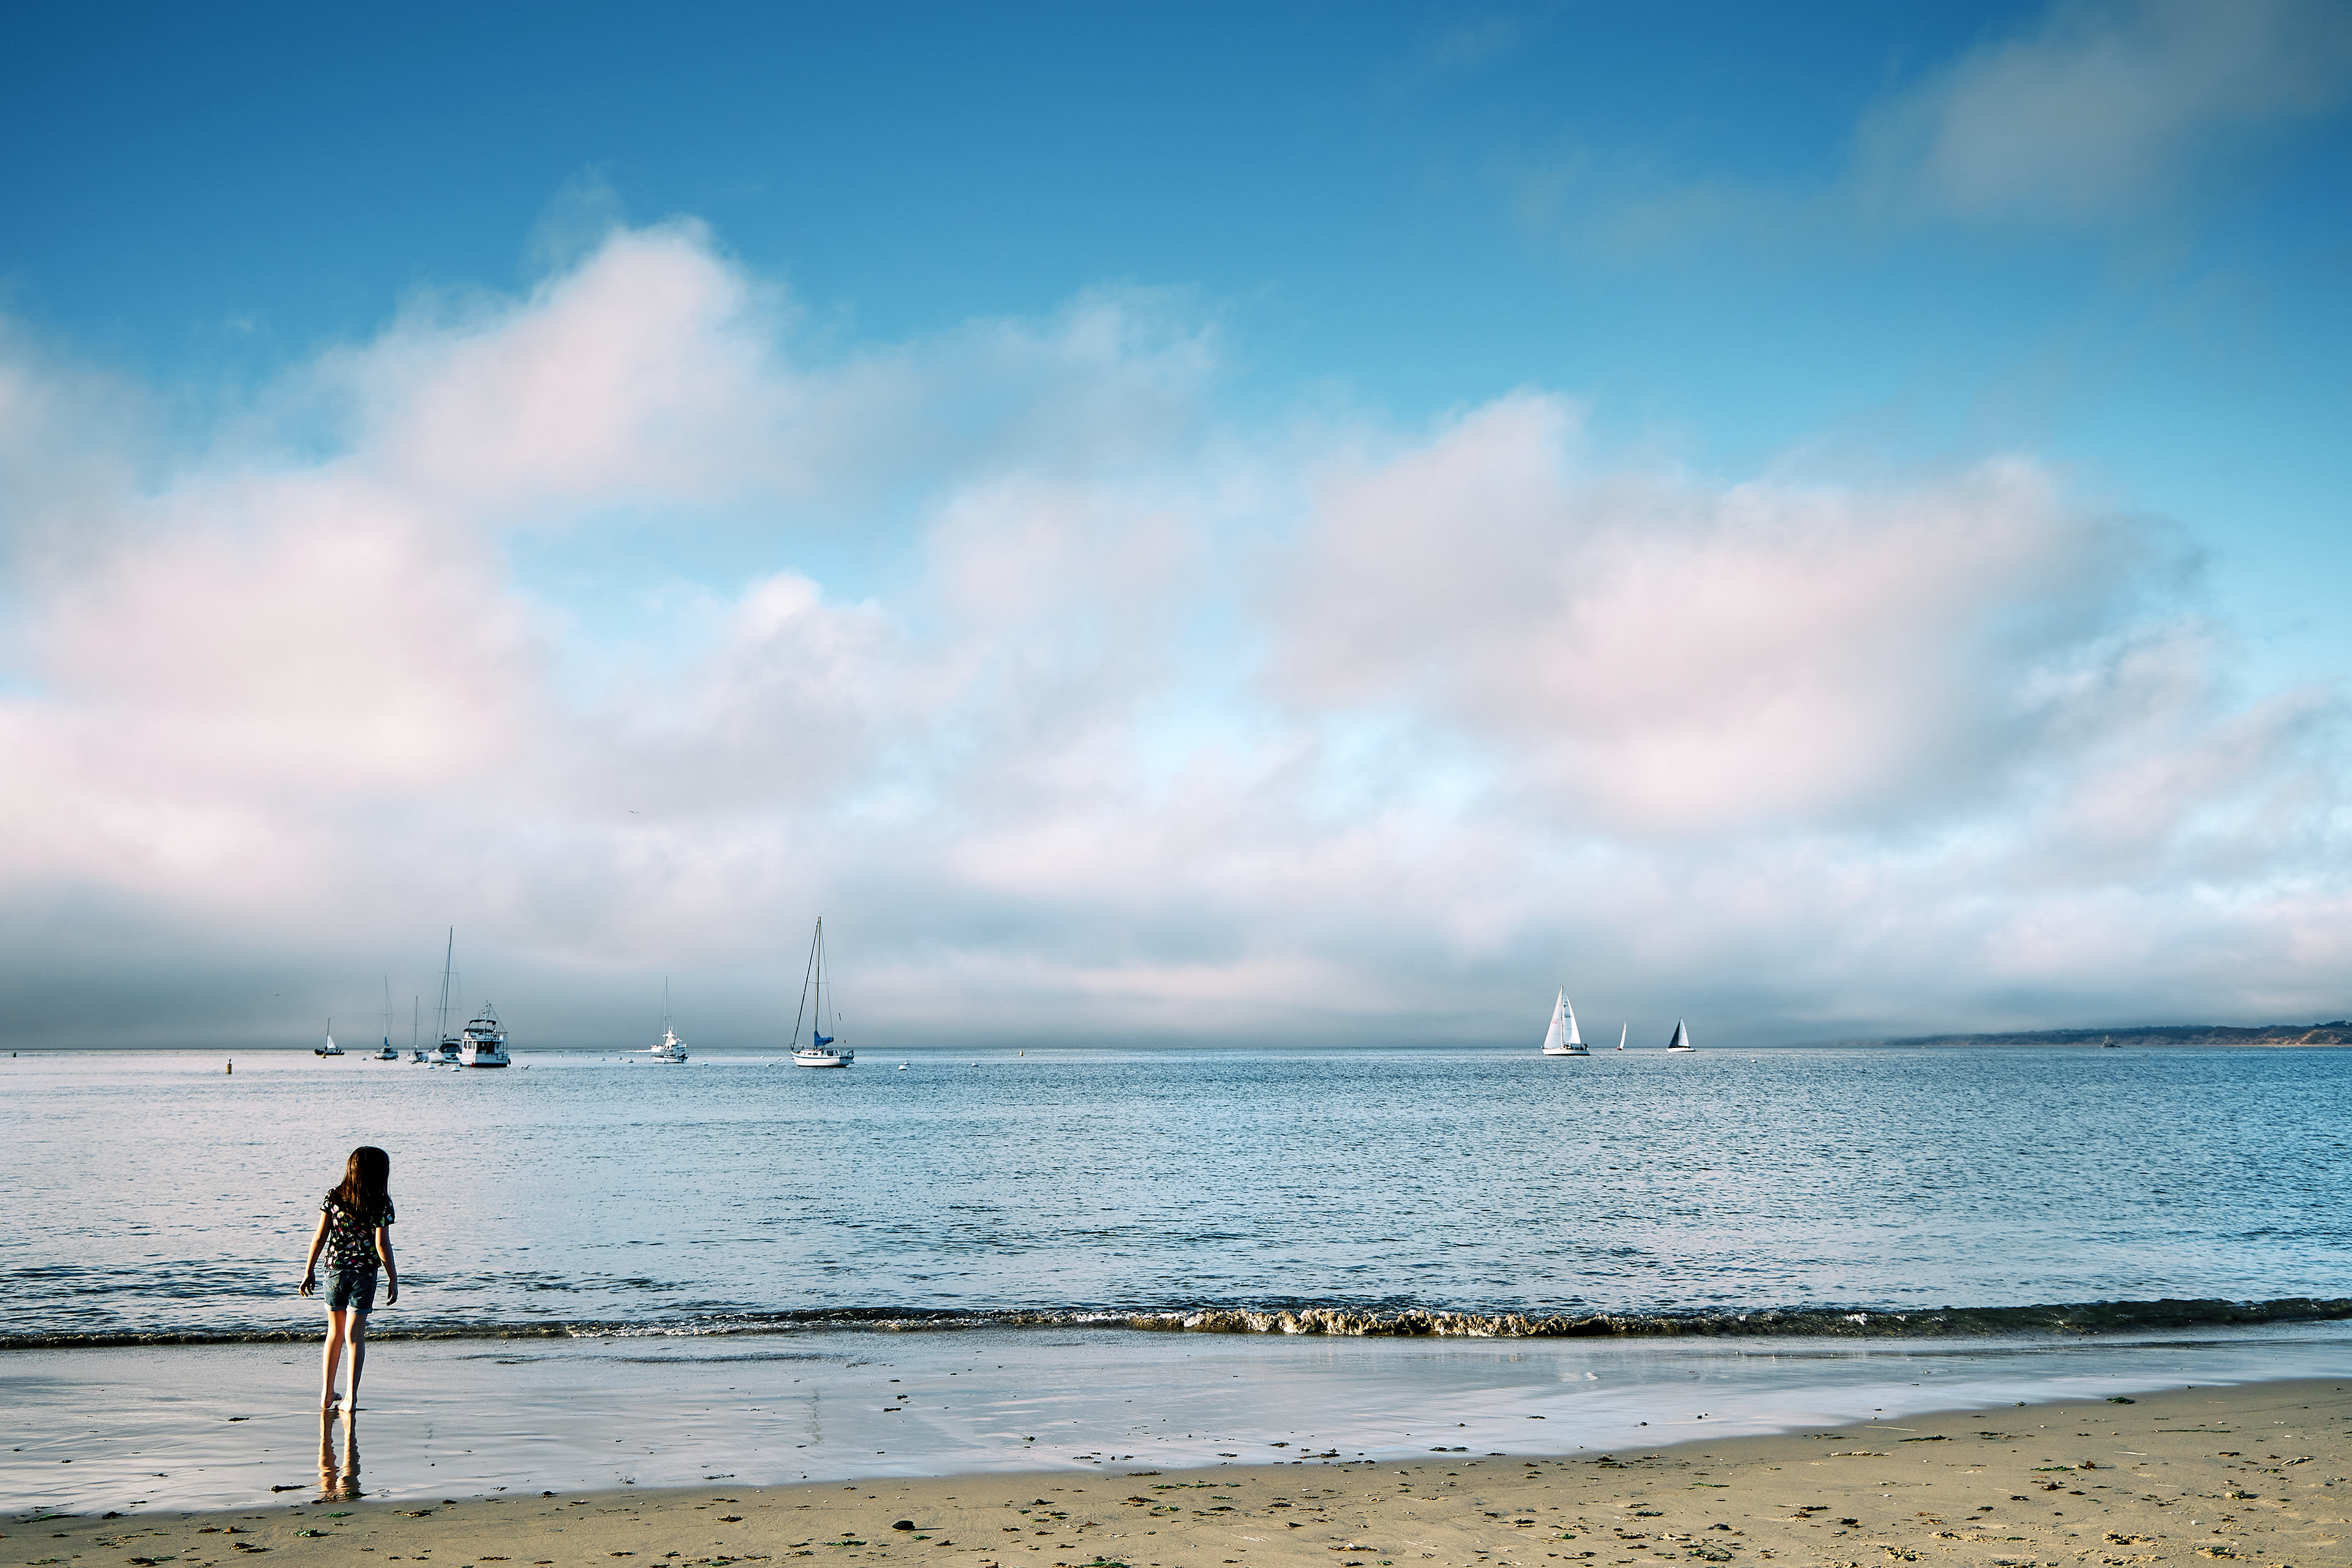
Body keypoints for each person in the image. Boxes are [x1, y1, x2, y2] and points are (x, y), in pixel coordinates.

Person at [299, 1145, 398, 1412]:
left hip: (334, 1271)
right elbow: (382, 1245)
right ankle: (351, 1399)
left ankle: (327, 1393)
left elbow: (319, 1236)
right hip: (364, 1274)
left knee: (334, 1333)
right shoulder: (381, 1201)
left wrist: (308, 1270)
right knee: (355, 1336)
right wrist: (393, 1278)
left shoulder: (334, 1196)